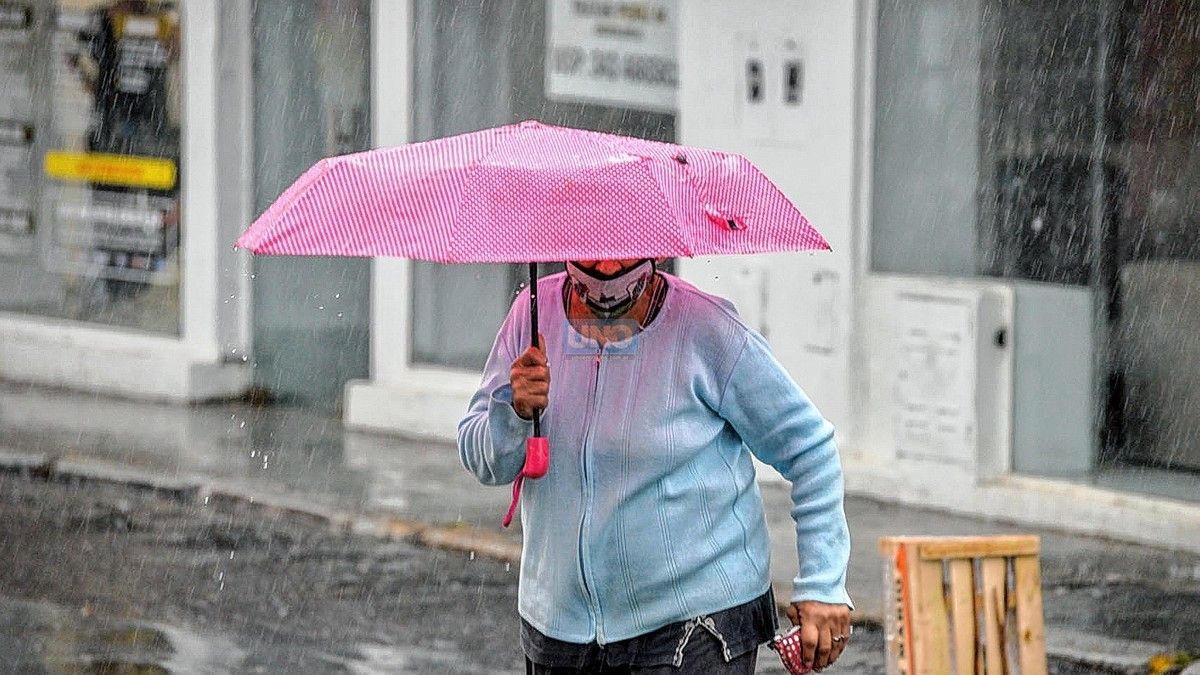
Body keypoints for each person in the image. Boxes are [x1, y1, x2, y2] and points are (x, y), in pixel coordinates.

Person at [459, 259, 852, 673]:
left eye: (625, 248)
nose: (607, 265)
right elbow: (482, 458)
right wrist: (515, 411)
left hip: (694, 630)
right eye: (593, 248)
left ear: (655, 249)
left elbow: (808, 447)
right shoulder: (531, 318)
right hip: (559, 630)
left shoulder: (706, 327)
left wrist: (823, 583)